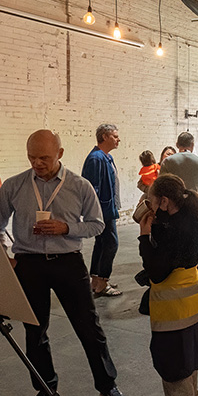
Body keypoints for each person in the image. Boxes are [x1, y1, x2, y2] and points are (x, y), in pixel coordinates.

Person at [0, 129, 128, 396]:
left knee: (89, 328)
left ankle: (108, 386)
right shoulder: (14, 186)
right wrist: (7, 259)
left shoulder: (79, 186)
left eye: (44, 158)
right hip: (29, 264)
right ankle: (44, 390)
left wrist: (67, 228)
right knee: (35, 331)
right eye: (32, 157)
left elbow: (97, 225)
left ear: (60, 154)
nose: (37, 163)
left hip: (69, 262)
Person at [137, 174, 198, 396]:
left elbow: (155, 270)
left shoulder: (174, 230)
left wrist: (145, 235)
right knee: (188, 365)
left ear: (165, 202)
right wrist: (156, 223)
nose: (150, 206)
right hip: (193, 306)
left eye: (152, 201)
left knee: (175, 374)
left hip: (174, 313)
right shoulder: (192, 217)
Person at [82, 123, 122, 297]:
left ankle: (96, 281)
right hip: (103, 211)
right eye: (114, 136)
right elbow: (92, 190)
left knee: (102, 243)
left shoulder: (105, 157)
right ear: (104, 137)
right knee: (111, 243)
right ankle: (102, 283)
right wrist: (95, 213)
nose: (118, 139)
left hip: (107, 209)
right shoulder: (96, 159)